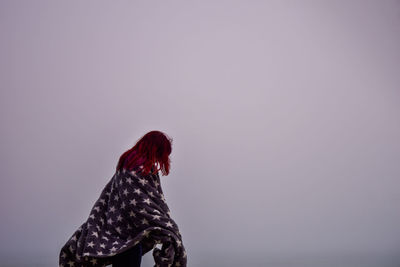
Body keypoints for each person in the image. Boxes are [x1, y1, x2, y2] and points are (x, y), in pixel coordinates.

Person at [59, 130, 187, 267]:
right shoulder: (138, 167)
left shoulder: (127, 164)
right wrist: (165, 225)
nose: (159, 160)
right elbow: (140, 204)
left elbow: (146, 198)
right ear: (155, 148)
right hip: (128, 240)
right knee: (171, 234)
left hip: (121, 238)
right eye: (161, 154)